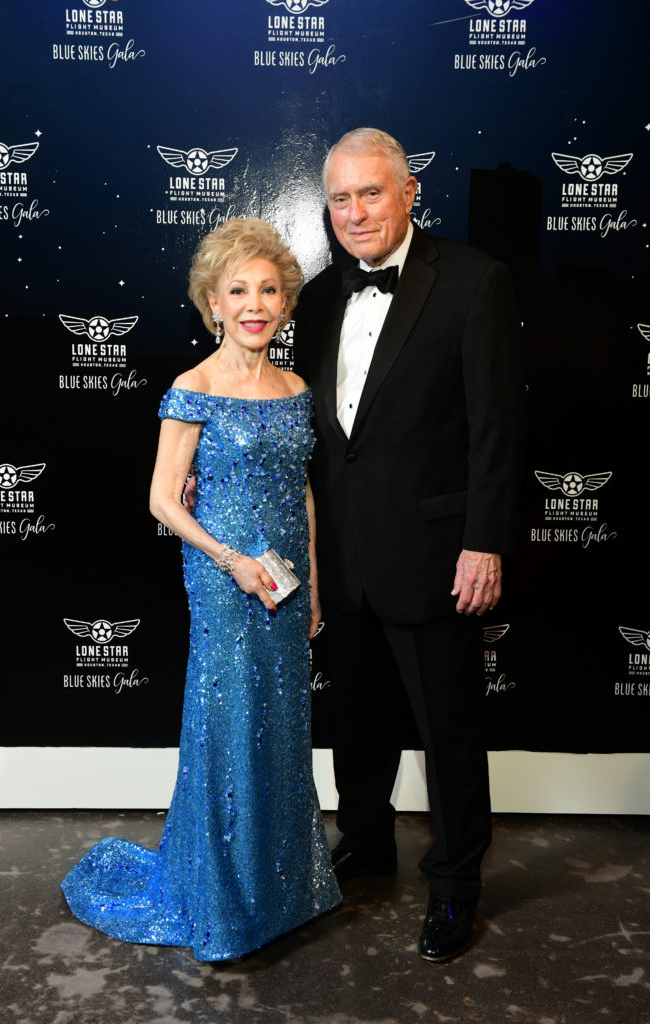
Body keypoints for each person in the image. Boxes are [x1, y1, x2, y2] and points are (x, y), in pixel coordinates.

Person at [61, 218, 341, 962]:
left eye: (269, 290)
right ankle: (219, 893)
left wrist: (309, 580)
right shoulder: (193, 387)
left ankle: (281, 888)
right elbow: (161, 498)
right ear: (212, 302)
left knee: (280, 729)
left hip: (285, 589)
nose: (255, 303)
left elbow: (302, 491)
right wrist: (231, 560)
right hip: (224, 584)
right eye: (238, 290)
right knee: (226, 726)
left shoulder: (295, 388)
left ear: (285, 303)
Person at [292, 128, 524, 962]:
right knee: (357, 722)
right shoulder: (317, 298)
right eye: (340, 198)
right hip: (345, 559)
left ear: (408, 192)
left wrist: (483, 544)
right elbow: (316, 435)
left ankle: (456, 885)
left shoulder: (472, 280)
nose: (354, 213)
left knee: (449, 729)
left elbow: (496, 429)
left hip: (434, 556)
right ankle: (366, 844)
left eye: (370, 193)